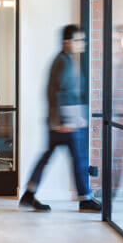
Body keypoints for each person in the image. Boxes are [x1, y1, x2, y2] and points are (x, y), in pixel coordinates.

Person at [20, 24, 102, 213]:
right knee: (79, 160)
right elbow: (61, 92)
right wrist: (66, 121)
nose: (83, 43)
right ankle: (85, 199)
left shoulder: (66, 60)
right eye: (78, 40)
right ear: (67, 42)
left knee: (50, 157)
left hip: (60, 121)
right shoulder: (64, 62)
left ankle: (29, 195)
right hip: (65, 122)